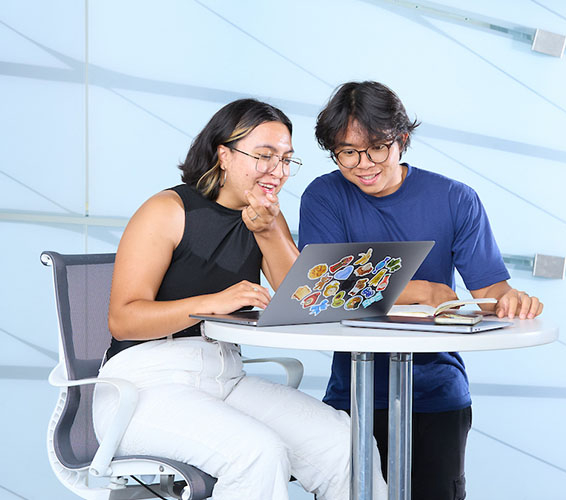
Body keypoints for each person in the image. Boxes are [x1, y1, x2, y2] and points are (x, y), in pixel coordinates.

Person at [93, 98, 387, 500]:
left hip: (224, 377)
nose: (277, 171)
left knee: (346, 443)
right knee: (256, 454)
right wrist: (209, 302)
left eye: (286, 160)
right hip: (143, 387)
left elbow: (299, 301)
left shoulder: (265, 215)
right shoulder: (167, 210)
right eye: (264, 156)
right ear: (224, 155)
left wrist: (269, 232)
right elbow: (124, 320)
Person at [298, 81, 543, 500]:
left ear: (402, 139)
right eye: (347, 152)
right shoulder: (325, 196)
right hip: (353, 394)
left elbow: (490, 291)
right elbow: (320, 292)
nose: (363, 164)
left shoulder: (455, 199)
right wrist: (422, 290)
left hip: (435, 393)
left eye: (377, 147)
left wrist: (511, 299)